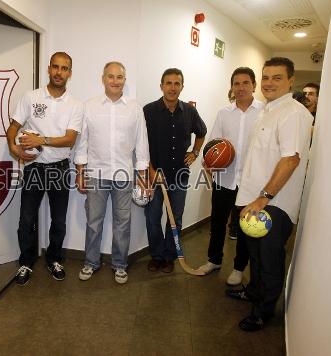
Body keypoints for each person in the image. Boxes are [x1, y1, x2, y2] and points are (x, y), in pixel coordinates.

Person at [226, 57, 313, 331]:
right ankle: (253, 292)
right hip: (254, 200)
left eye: (277, 77)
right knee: (255, 255)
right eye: (266, 77)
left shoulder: (294, 113)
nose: (269, 82)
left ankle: (263, 311)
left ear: (291, 80)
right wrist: (252, 198)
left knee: (269, 260)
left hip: (274, 204)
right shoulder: (267, 111)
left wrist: (264, 196)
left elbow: (291, 159)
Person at [6, 52, 84, 286]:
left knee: (58, 221)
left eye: (65, 68)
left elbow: (70, 139)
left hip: (60, 168)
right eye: (56, 67)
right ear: (49, 69)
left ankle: (54, 259)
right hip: (34, 168)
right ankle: (26, 262)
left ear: (70, 73)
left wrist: (42, 141)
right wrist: (13, 147)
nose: (59, 72)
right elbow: (13, 127)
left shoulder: (75, 105)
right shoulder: (31, 97)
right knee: (25, 220)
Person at [74, 62, 149, 284]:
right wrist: (80, 172)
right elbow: (82, 143)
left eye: (120, 77)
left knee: (122, 223)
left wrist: (143, 176)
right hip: (96, 174)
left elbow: (142, 144)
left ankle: (119, 264)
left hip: (124, 176)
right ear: (103, 78)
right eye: (111, 76)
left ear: (125, 80)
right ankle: (90, 262)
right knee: (93, 222)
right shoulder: (90, 106)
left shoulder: (135, 108)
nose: (115, 81)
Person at [196, 67, 264, 286]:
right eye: (236, 83)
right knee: (217, 223)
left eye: (245, 83)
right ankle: (213, 260)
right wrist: (209, 161)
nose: (241, 87)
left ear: (254, 84)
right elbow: (214, 142)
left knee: (244, 227)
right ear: (232, 87)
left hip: (250, 183)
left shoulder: (265, 112)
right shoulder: (224, 113)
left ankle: (238, 268)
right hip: (224, 179)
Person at [143, 68, 207, 273]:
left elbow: (201, 132)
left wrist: (195, 152)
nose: (172, 87)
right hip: (155, 175)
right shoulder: (148, 111)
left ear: (181, 87)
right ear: (161, 86)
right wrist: (150, 170)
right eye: (168, 83)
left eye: (176, 83)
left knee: (175, 219)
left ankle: (170, 256)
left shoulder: (190, 111)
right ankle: (156, 255)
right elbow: (140, 143)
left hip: (179, 175)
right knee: (152, 218)